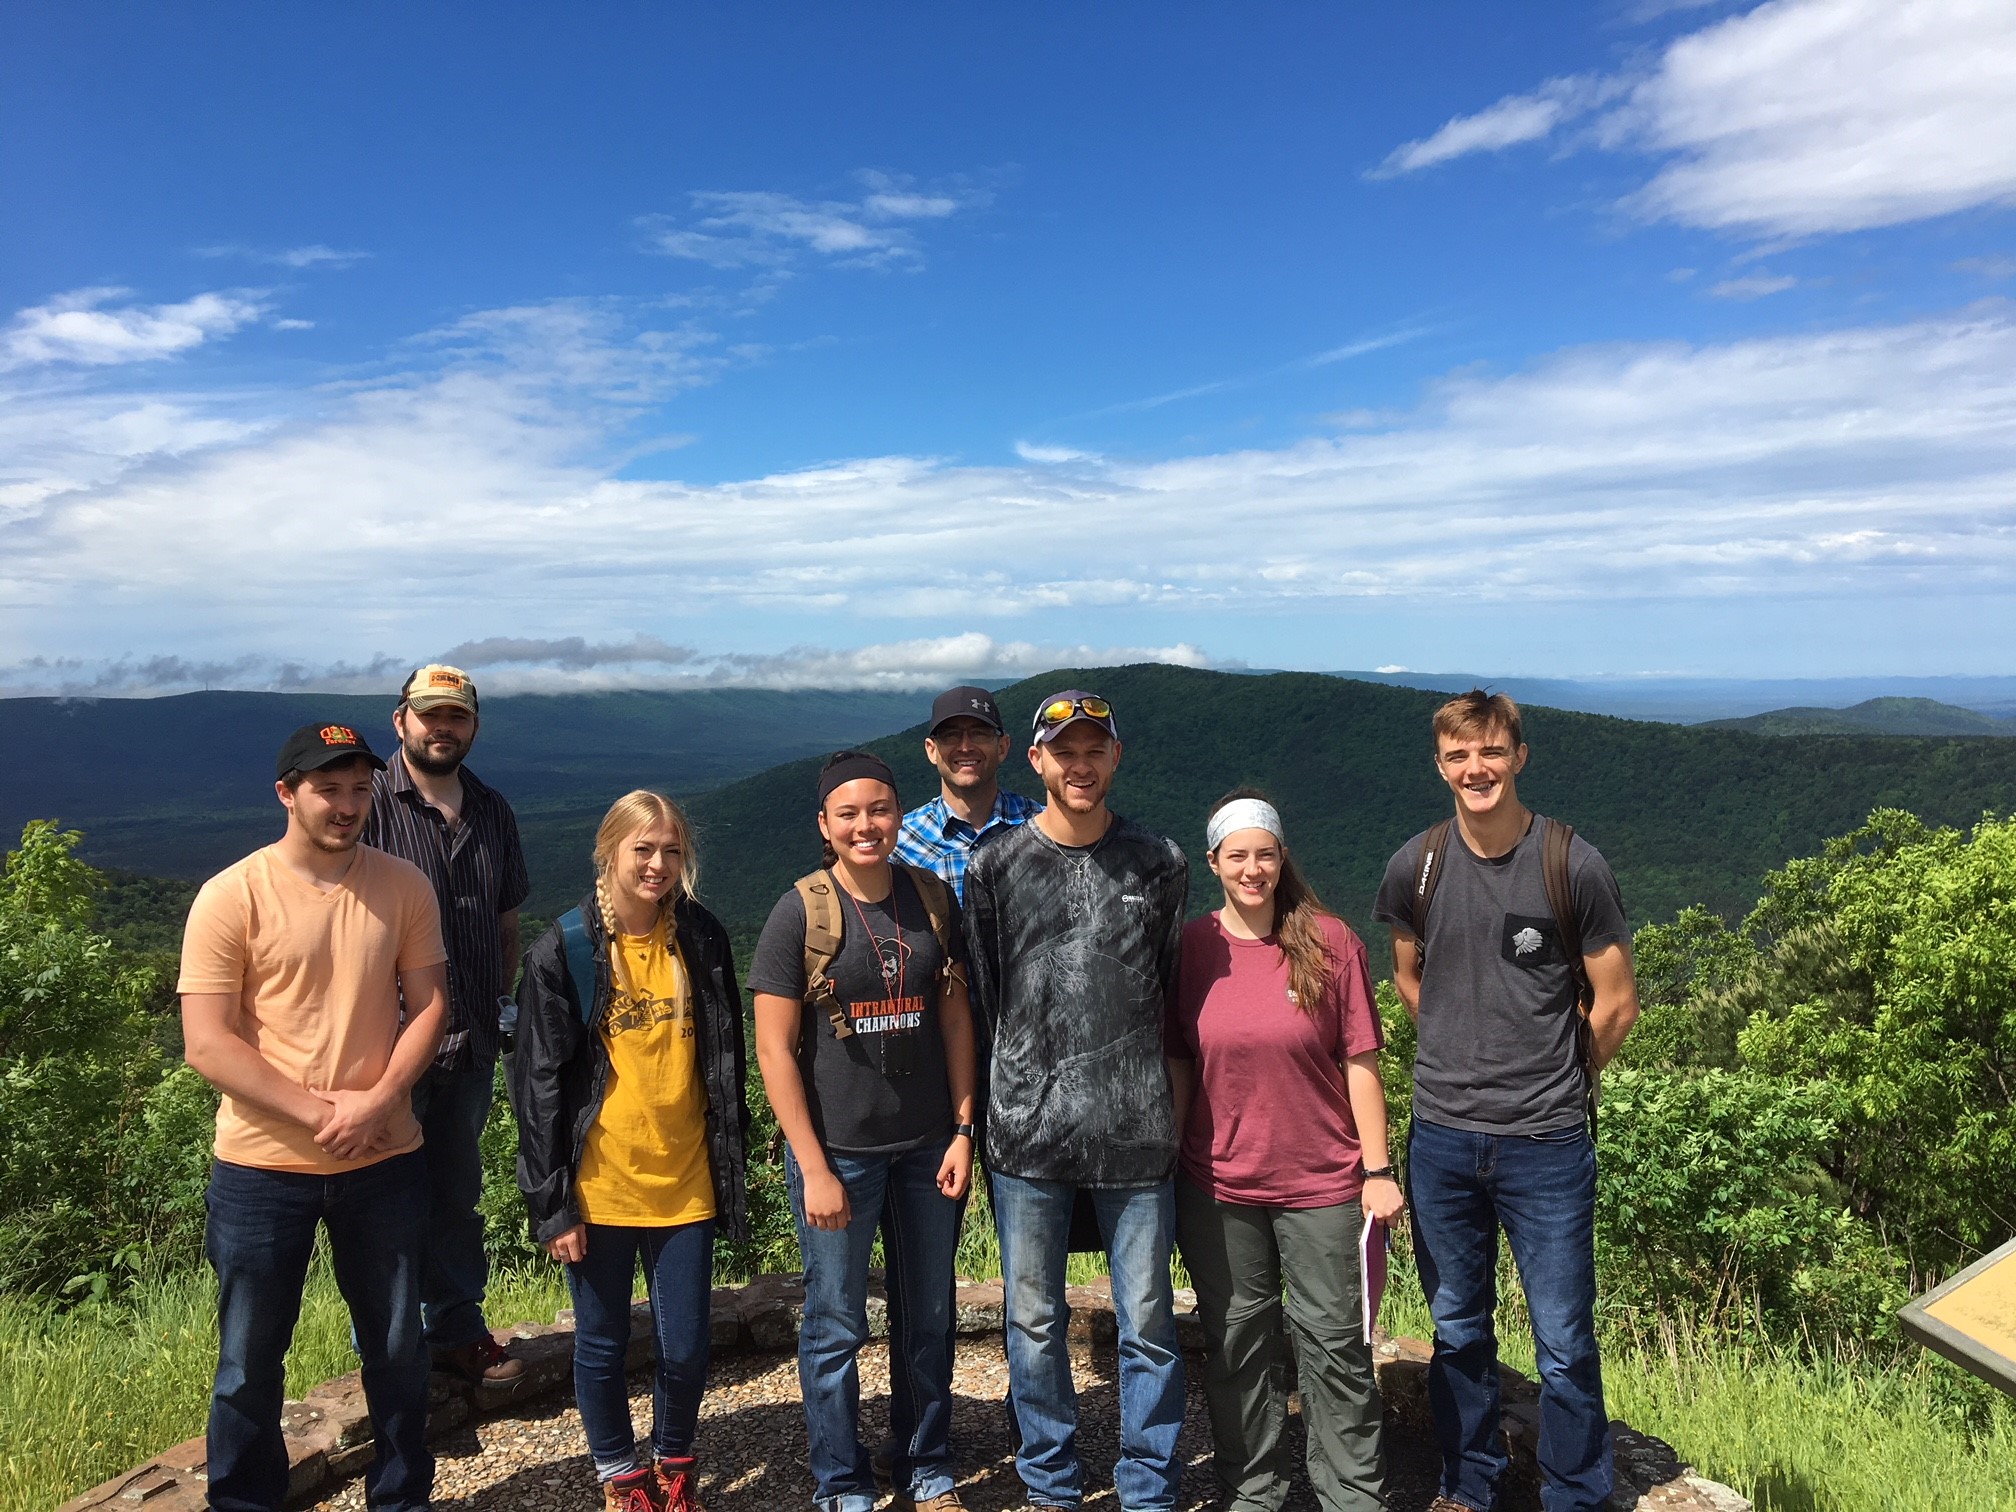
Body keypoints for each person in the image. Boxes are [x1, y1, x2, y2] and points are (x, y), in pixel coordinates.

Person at [1372, 691, 1640, 1512]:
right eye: (1458, 756)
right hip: (1443, 1136)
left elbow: (1617, 1002)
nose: (1475, 769)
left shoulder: (1572, 863)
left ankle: (1576, 1495)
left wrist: (1550, 1072)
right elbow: (1411, 979)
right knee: (1457, 1328)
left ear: (1518, 756)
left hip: (1547, 1142)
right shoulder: (1415, 864)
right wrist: (1468, 1046)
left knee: (1562, 1342)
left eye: (1490, 752)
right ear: (1440, 764)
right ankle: (1468, 1484)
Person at [178, 722, 449, 1512]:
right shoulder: (231, 895)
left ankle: (402, 1499)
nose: (347, 804)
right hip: (263, 1168)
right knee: (247, 1365)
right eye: (328, 788)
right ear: (287, 793)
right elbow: (208, 1043)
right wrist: (325, 1113)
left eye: (361, 788)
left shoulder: (403, 885)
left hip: (385, 1157)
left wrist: (380, 1100)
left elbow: (430, 1007)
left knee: (400, 1350)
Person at [963, 690, 1189, 1512]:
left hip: (1136, 1130)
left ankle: (1149, 1486)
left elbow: (1164, 990)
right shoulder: (992, 868)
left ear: (1116, 758)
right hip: (1026, 1133)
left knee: (1149, 1326)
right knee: (1030, 1322)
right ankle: (1051, 1482)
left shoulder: (1160, 863)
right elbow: (989, 1000)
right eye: (1064, 752)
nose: (1080, 764)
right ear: (1037, 764)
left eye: (1094, 749)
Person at [749, 750, 978, 1512]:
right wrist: (811, 1166)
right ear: (825, 825)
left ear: (897, 815)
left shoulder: (931, 899)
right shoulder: (800, 912)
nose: (865, 825)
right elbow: (775, 1051)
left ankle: (926, 1460)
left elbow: (952, 1016)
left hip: (924, 1149)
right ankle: (841, 1480)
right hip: (839, 1154)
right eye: (847, 814)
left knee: (929, 1314)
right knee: (836, 1324)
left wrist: (962, 1128)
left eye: (878, 810)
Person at [510, 790, 750, 1512]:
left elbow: (725, 1061)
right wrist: (553, 1204)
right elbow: (538, 1086)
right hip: (600, 1185)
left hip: (685, 1180)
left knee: (684, 1346)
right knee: (603, 1343)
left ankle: (676, 1464)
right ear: (608, 852)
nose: (658, 865)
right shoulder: (568, 950)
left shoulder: (700, 938)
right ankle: (621, 1477)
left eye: (672, 851)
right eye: (643, 849)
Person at [1168, 790, 1402, 1512]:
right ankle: (1253, 1493)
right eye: (1236, 855)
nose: (1252, 868)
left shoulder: (1330, 943)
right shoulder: (1190, 946)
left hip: (1324, 1182)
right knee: (1238, 1348)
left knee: (1336, 1347)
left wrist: (1379, 1169)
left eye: (1264, 854)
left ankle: (1353, 1497)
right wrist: (1166, 1161)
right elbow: (1179, 1061)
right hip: (1217, 1184)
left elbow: (1361, 1059)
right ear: (1214, 863)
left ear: (1281, 859)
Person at [359, 662, 531, 1387]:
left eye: (454, 716)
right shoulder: (365, 802)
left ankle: (457, 1333)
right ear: (400, 721)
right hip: (384, 1045)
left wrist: (499, 1001)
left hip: (470, 1042)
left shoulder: (491, 809)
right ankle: (393, 1358)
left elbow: (505, 922)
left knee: (456, 1195)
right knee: (384, 1203)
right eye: (428, 714)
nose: (441, 727)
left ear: (473, 727)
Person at [895, 684, 1043, 904]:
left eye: (979, 734)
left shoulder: (1042, 826)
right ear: (931, 750)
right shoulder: (900, 842)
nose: (965, 746)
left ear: (1003, 747)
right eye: (950, 735)